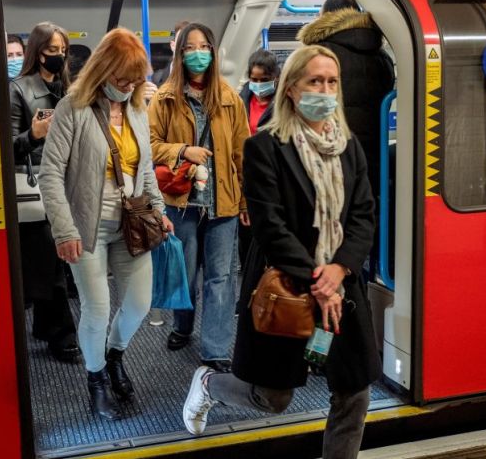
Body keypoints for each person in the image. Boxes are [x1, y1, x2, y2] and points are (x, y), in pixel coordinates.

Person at [181, 45, 381, 459]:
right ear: (291, 88)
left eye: (332, 82)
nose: (325, 90)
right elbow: (270, 227)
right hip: (287, 284)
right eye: (314, 81)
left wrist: (340, 270)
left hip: (341, 289)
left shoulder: (348, 147)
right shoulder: (265, 148)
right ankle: (209, 384)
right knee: (273, 397)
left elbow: (363, 214)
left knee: (353, 392)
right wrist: (318, 280)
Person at [38, 28, 174, 421]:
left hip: (133, 223)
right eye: (122, 79)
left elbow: (144, 169)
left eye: (135, 80)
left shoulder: (136, 109)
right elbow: (50, 174)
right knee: (97, 309)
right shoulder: (73, 108)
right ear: (103, 70)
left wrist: (159, 209)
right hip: (87, 227)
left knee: (138, 304)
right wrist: (64, 231)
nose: (128, 86)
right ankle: (96, 379)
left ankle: (114, 356)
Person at [149, 22, 250, 373]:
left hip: (224, 201)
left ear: (214, 52)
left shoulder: (230, 99)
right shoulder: (164, 98)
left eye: (204, 47)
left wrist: (246, 201)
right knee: (185, 272)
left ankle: (215, 348)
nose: (198, 54)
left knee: (221, 276)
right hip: (181, 202)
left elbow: (242, 154)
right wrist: (182, 151)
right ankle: (183, 326)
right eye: (190, 48)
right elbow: (150, 146)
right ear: (180, 54)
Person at [9, 22, 79, 362]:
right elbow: (7, 147)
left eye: (63, 50)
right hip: (37, 185)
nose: (59, 56)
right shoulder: (18, 90)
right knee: (51, 266)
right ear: (37, 53)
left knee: (58, 264)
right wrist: (34, 135)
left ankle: (46, 327)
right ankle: (63, 334)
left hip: (70, 183)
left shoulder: (70, 90)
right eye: (53, 50)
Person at [297, 0, 394, 215]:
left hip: (329, 155)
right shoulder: (383, 57)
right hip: (372, 156)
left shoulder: (318, 55)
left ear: (326, 17)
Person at [236, 49, 280, 303]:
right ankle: (248, 297)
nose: (259, 84)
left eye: (264, 80)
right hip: (247, 178)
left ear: (275, 78)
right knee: (247, 242)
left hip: (272, 179)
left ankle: (272, 293)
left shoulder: (283, 104)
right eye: (254, 79)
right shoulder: (240, 101)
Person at [151, 20, 190, 87]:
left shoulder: (204, 79)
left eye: (190, 46)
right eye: (181, 41)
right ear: (172, 45)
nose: (185, 47)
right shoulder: (155, 78)